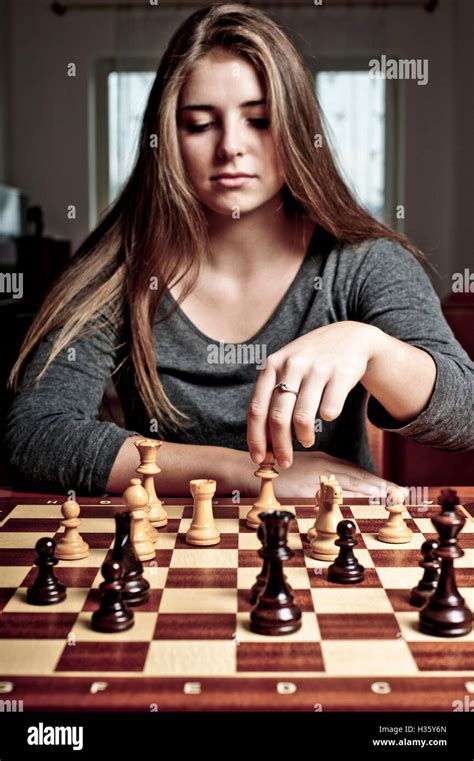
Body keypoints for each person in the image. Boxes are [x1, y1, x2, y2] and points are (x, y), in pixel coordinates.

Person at [5, 3, 473, 499]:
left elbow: (466, 418)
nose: (231, 146)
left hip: (326, 556)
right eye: (200, 124)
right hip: (166, 558)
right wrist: (247, 473)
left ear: (296, 127)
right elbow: (35, 435)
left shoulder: (361, 262)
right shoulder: (119, 266)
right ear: (167, 137)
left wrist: (373, 349)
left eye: (260, 120)